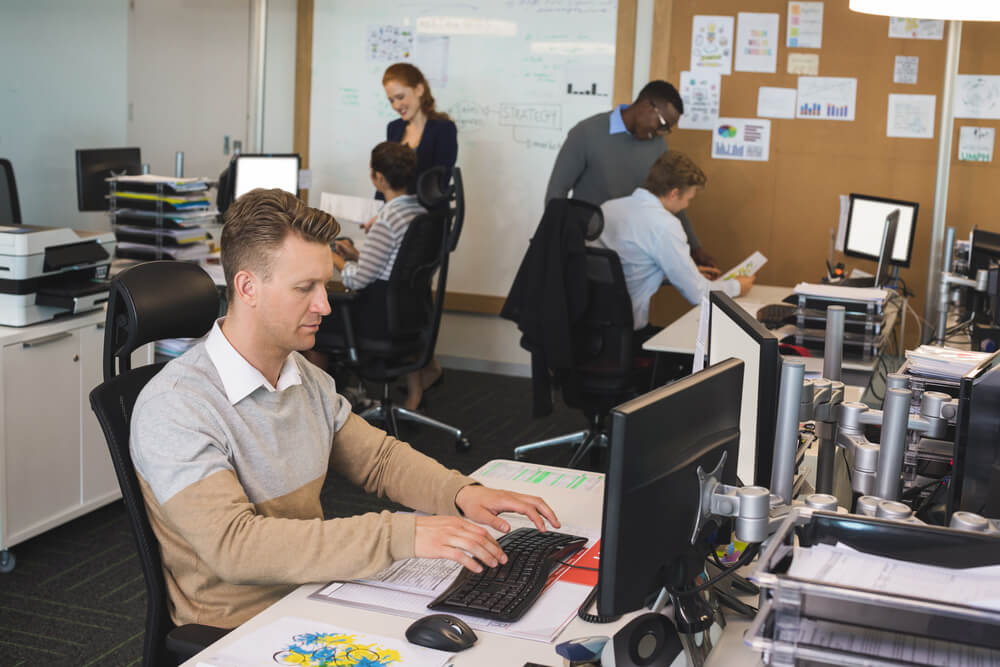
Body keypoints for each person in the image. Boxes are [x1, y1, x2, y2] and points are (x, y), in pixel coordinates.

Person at [130, 188, 559, 629]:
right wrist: (400, 535)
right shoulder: (177, 406)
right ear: (247, 287)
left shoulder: (303, 377)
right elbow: (234, 547)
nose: (325, 305)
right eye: (305, 289)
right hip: (240, 629)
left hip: (315, 593)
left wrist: (461, 493)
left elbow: (378, 459)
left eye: (325, 285)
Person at [545, 80, 719, 275]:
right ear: (645, 105)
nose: (661, 133)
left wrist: (695, 247)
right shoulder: (586, 133)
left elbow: (669, 199)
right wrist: (558, 244)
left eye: (666, 129)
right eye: (662, 124)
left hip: (635, 257)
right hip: (588, 253)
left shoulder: (657, 144)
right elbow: (556, 193)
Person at [595, 150, 753, 348]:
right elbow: (697, 294)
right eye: (689, 198)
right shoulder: (665, 225)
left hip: (593, 325)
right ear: (674, 193)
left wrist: (683, 273)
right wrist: (738, 286)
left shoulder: (608, 208)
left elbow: (627, 268)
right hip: (627, 333)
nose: (687, 205)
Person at [323, 141, 431, 411]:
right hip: (409, 314)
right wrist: (356, 255)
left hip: (379, 319)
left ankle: (323, 410)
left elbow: (357, 281)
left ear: (378, 178)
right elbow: (397, 267)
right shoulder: (420, 213)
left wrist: (331, 255)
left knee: (315, 325)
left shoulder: (387, 219)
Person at [369, 62, 456, 398]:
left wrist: (400, 212)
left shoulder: (442, 130)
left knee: (412, 294)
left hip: (424, 228)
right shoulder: (394, 128)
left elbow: (439, 184)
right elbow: (387, 176)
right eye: (391, 100)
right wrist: (381, 214)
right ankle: (425, 369)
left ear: (420, 88)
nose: (397, 106)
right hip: (397, 222)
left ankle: (419, 376)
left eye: (400, 96)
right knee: (404, 296)